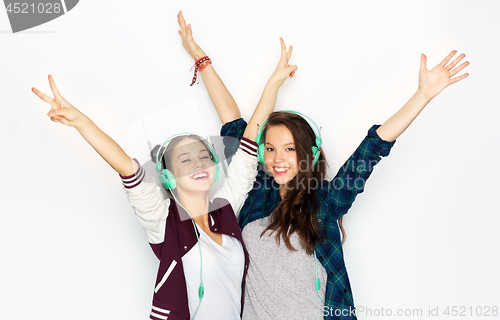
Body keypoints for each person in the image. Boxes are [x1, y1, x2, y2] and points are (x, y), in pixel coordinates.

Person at [30, 11, 263, 320]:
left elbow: (248, 147)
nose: (198, 162)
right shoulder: (162, 221)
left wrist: (271, 82)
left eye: (204, 156)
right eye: (185, 159)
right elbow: (127, 168)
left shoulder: (226, 210)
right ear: (166, 177)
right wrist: (82, 123)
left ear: (215, 167)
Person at [218, 42, 469, 319]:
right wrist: (200, 57)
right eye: (270, 148)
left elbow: (372, 148)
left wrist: (422, 95)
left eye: (289, 148)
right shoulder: (253, 194)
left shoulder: (324, 201)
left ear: (309, 153)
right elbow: (233, 125)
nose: (278, 158)